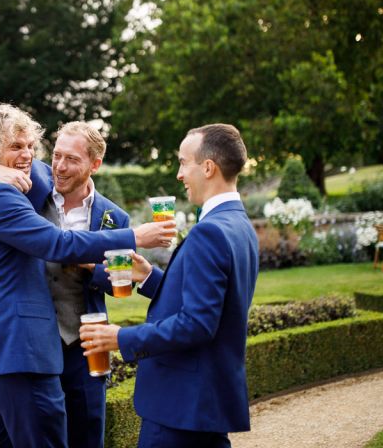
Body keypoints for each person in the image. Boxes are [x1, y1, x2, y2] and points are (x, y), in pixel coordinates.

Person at [0, 104, 175, 448]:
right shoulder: (27, 184)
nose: (57, 165)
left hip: (79, 338)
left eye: (31, 147)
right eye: (56, 155)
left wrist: (98, 269)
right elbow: (57, 243)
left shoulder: (111, 216)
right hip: (25, 343)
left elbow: (115, 277)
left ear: (94, 165)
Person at [80, 123, 259, 448]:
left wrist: (121, 337)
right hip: (206, 398)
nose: (179, 174)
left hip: (181, 403)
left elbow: (198, 324)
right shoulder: (239, 223)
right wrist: (149, 277)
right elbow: (213, 303)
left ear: (208, 167)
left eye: (182, 162)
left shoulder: (211, 232)